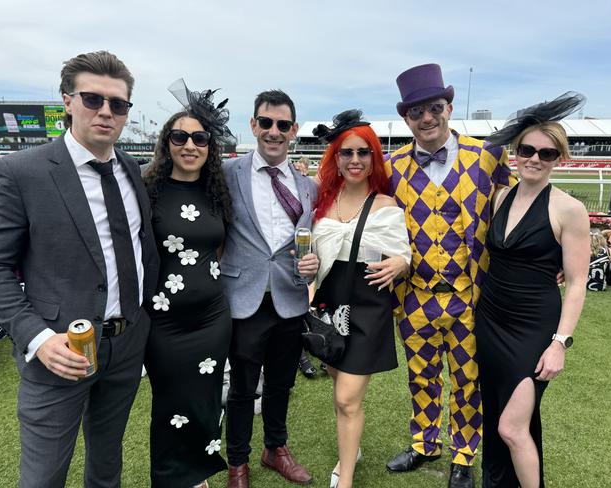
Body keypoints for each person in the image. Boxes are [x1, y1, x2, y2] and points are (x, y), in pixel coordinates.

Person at [0, 51, 159, 487]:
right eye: (92, 99)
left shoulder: (132, 170)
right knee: (44, 476)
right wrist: (37, 339)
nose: (105, 111)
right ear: (67, 101)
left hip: (125, 345)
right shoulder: (21, 171)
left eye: (118, 104)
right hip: (58, 350)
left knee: (106, 463)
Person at [384, 63, 516, 488]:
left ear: (449, 107)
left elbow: (518, 210)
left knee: (467, 379)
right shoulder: (392, 166)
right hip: (416, 296)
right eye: (416, 112)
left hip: (471, 296)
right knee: (420, 375)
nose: (426, 118)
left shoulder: (488, 155)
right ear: (406, 118)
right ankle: (424, 444)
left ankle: (463, 455)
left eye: (434, 107)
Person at [475, 92, 590, 487]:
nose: (535, 159)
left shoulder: (569, 209)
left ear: (560, 158)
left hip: (532, 330)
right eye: (527, 149)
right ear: (515, 151)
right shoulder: (501, 196)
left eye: (547, 153)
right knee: (496, 415)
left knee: (511, 427)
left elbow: (576, 284)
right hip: (489, 321)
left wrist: (560, 342)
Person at [220, 90, 319, 488]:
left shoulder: (307, 186)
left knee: (282, 382)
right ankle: (237, 463)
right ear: (254, 125)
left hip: (291, 297)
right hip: (244, 299)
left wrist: (313, 268)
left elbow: (313, 242)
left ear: (294, 130)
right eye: (266, 123)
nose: (274, 132)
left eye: (283, 125)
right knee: (243, 388)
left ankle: (275, 448)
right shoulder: (228, 174)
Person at [310, 110, 410, 488]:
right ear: (335, 157)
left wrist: (400, 262)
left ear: (374, 158)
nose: (355, 160)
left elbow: (403, 254)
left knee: (348, 398)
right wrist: (308, 268)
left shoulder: (385, 205)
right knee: (339, 388)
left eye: (363, 152)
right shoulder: (323, 201)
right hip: (327, 305)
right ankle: (352, 448)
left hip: (368, 310)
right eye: (347, 152)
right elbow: (315, 256)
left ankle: (346, 476)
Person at [142, 80, 234, 488]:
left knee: (205, 401)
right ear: (167, 143)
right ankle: (170, 478)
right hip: (165, 323)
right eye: (180, 136)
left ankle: (197, 476)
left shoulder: (218, 193)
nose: (190, 145)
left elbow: (220, 249)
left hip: (212, 318)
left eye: (199, 138)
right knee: (170, 404)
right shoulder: (146, 190)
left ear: (209, 147)